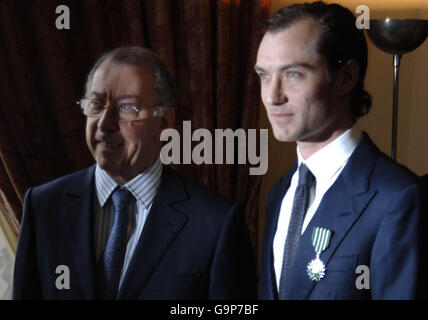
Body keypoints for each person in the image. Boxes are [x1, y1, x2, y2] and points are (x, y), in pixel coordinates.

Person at [13, 47, 257, 300]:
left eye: (126, 107)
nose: (104, 123)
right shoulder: (43, 207)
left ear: (163, 123)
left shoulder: (215, 224)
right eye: (96, 104)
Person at [255, 1, 424, 299]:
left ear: (346, 77)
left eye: (293, 74)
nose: (272, 96)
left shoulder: (398, 198)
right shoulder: (281, 191)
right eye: (265, 75)